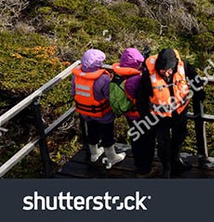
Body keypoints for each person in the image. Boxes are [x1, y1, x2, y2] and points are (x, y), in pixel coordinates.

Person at [137, 48, 199, 178]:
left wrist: (199, 95)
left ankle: (176, 160)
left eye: (169, 70)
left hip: (180, 113)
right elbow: (141, 97)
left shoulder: (184, 66)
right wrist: (145, 117)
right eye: (162, 71)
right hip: (159, 118)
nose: (166, 73)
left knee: (179, 137)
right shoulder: (149, 74)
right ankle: (166, 167)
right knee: (163, 143)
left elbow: (196, 81)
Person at [72, 49, 125, 168]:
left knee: (92, 131)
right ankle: (111, 157)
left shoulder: (76, 77)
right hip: (103, 114)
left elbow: (73, 92)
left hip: (85, 113)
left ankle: (94, 154)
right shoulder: (103, 79)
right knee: (107, 134)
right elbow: (109, 96)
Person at [111, 47, 157, 178]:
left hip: (129, 115)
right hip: (140, 115)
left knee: (136, 138)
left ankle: (139, 163)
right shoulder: (136, 80)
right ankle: (144, 170)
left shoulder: (119, 74)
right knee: (146, 141)